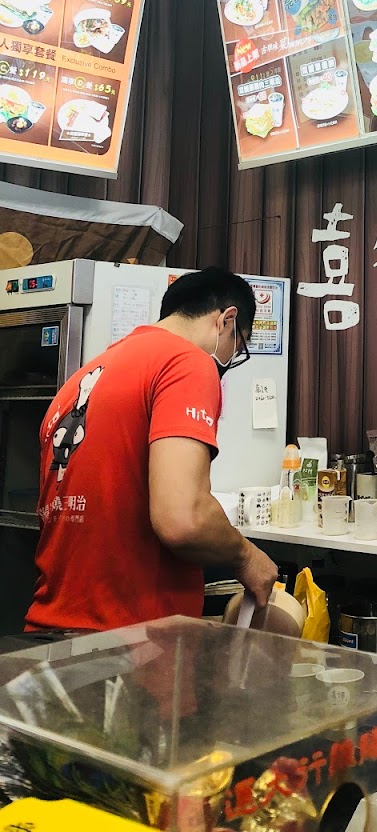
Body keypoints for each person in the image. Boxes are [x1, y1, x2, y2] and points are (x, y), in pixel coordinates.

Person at [26, 267, 278, 632]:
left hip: (49, 631)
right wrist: (246, 555)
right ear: (226, 320)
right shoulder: (186, 362)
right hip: (128, 640)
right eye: (238, 345)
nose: (230, 359)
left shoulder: (81, 379)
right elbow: (183, 519)